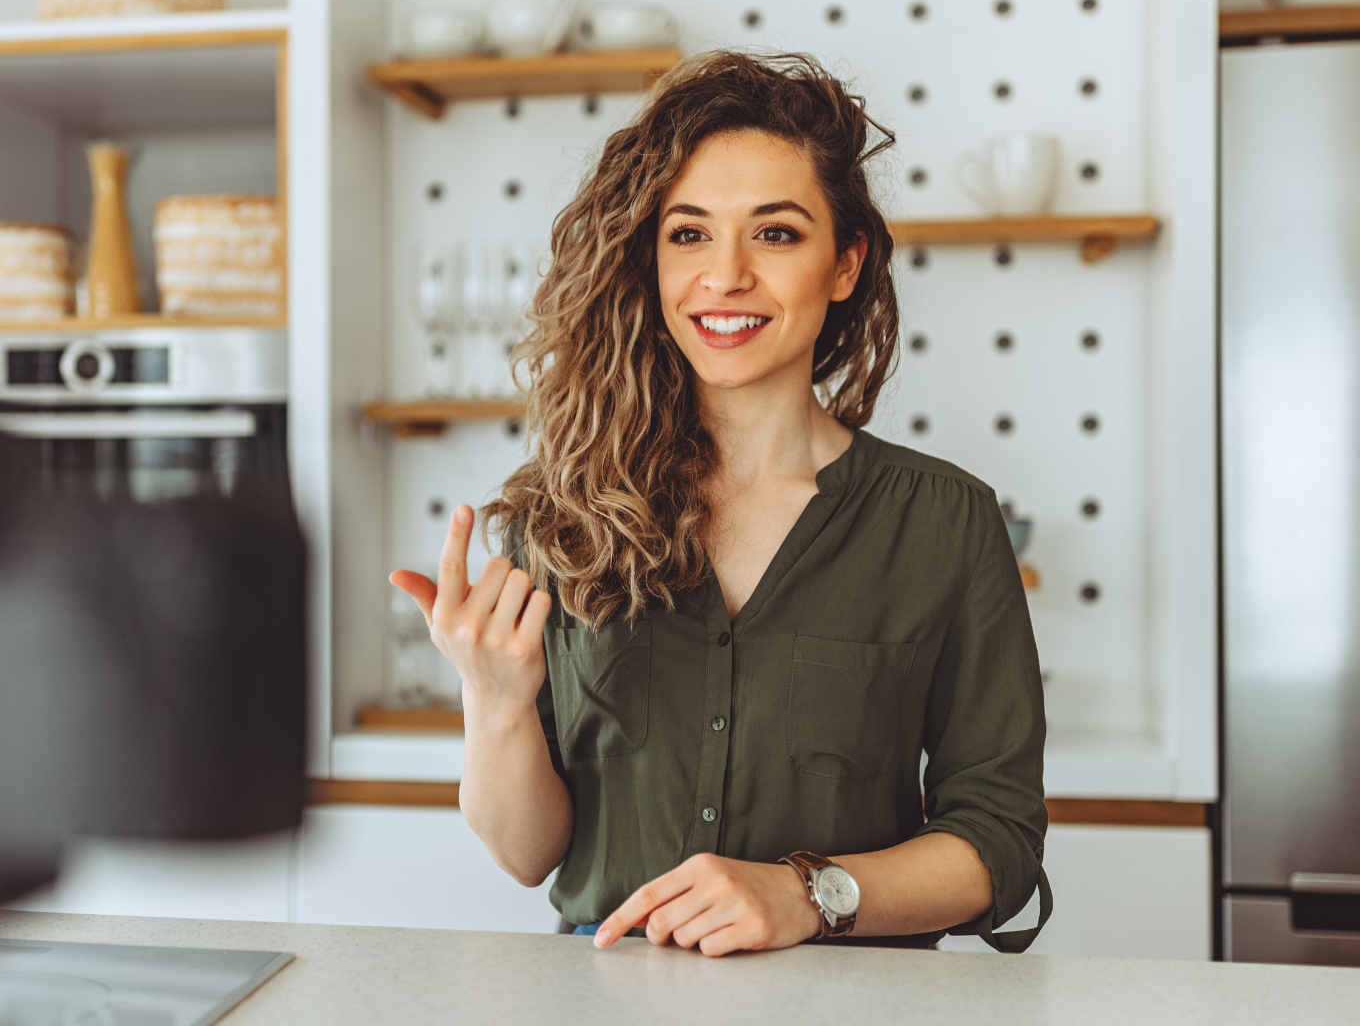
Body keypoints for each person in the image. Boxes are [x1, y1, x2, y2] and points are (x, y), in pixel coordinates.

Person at [389, 50, 1050, 956]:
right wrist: (495, 703)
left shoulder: (946, 523)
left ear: (846, 263)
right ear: (650, 262)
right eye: (689, 234)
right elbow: (524, 853)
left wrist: (806, 894)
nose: (726, 275)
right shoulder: (561, 517)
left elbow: (999, 842)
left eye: (775, 234)